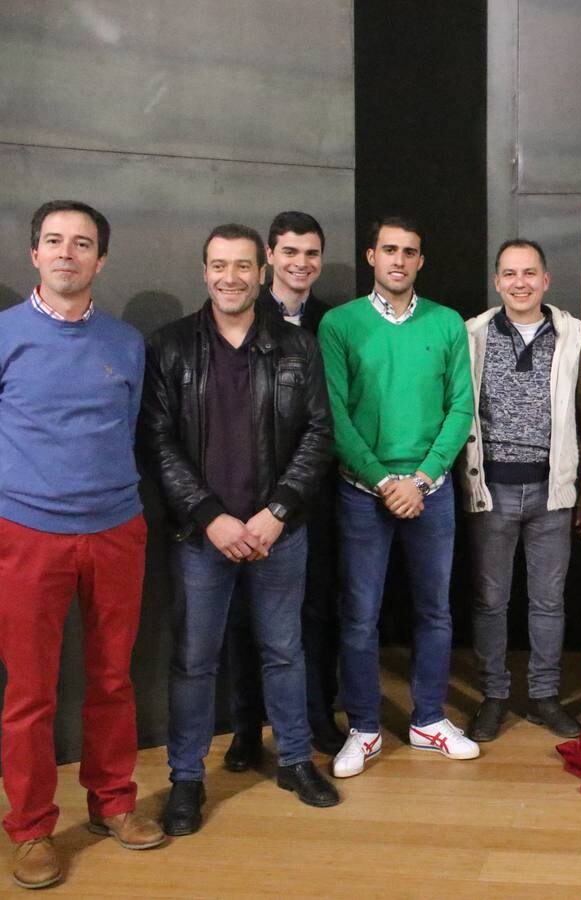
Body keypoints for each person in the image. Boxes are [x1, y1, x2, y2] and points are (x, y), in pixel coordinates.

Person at [140, 223, 339, 836]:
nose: (231, 276)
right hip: (203, 538)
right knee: (196, 661)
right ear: (204, 271)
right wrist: (211, 516)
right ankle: (186, 779)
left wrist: (276, 511)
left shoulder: (296, 347)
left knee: (284, 652)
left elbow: (318, 434)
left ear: (262, 272)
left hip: (278, 531)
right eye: (219, 265)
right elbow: (158, 441)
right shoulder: (170, 347)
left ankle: (295, 761)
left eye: (243, 266)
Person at [0, 201, 165, 889]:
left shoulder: (126, 342)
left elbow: (128, 429)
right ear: (34, 254)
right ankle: (34, 827)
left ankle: (113, 803)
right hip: (27, 536)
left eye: (83, 244)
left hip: (116, 530)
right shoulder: (5, 335)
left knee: (111, 678)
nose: (67, 253)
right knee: (31, 692)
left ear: (101, 260)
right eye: (54, 242)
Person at [318, 215, 478, 778]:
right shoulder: (339, 324)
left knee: (434, 610)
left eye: (410, 252)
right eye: (389, 250)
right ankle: (363, 728)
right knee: (360, 616)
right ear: (370, 257)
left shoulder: (448, 323)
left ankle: (428, 719)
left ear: (420, 261)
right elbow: (333, 414)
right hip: (364, 493)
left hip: (430, 492)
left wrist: (424, 479)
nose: (399, 260)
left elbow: (462, 408)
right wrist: (385, 482)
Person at [224, 211, 345, 772]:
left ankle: (319, 714)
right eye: (290, 252)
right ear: (269, 256)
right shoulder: (242, 312)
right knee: (245, 619)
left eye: (312, 253)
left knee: (317, 610)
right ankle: (247, 729)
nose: (301, 263)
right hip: (245, 497)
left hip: (313, 497)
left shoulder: (332, 321)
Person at [459, 239, 581, 742]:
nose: (520, 283)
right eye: (509, 274)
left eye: (529, 273)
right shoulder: (473, 333)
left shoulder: (575, 333)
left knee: (548, 602)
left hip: (552, 492)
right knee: (490, 601)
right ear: (497, 281)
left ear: (546, 280)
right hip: (491, 491)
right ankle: (493, 695)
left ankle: (543, 696)